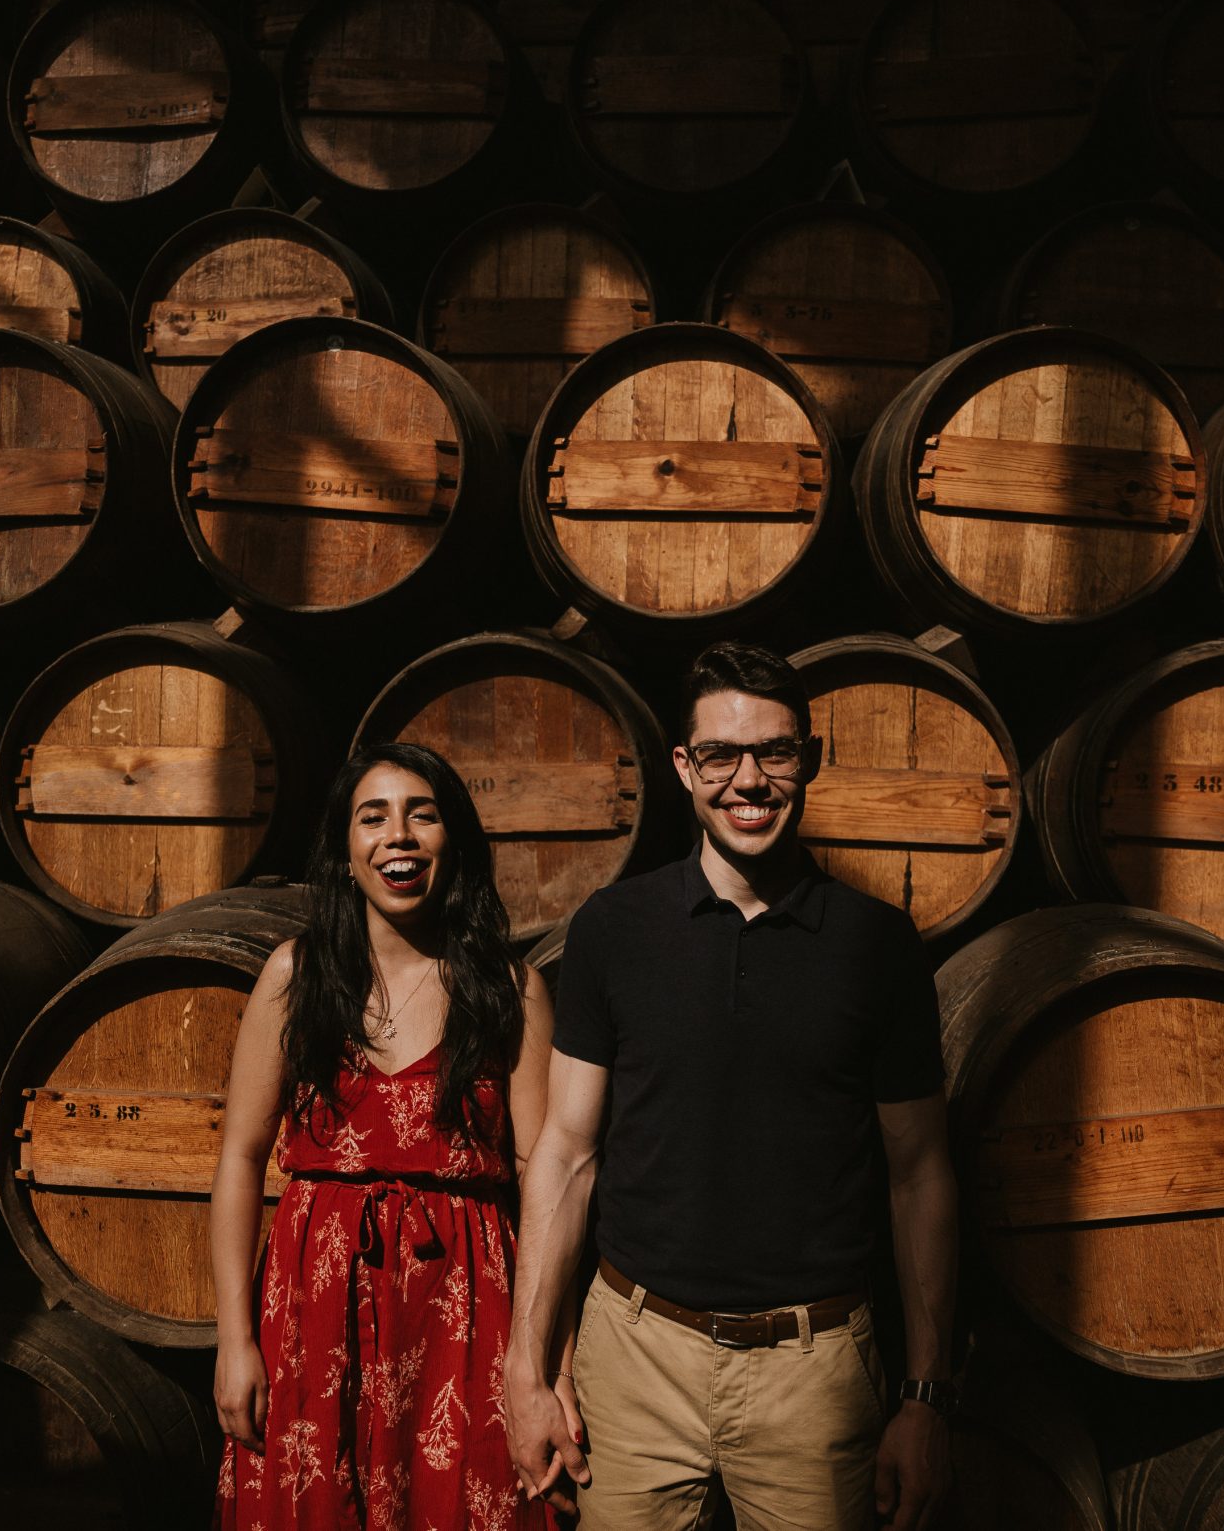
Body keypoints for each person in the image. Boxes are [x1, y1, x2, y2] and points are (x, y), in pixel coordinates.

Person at [503, 641, 960, 1531]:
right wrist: (527, 1368)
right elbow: (565, 1152)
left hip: (816, 1364)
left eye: (776, 752)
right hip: (634, 1352)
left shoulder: (877, 945)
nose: (748, 780)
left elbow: (920, 1173)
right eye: (721, 754)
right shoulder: (615, 928)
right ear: (684, 765)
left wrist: (926, 1396)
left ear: (810, 760)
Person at [211, 742, 559, 1530]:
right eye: (374, 818)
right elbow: (237, 1159)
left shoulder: (511, 989)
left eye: (421, 815)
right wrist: (235, 1341)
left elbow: (547, 1181)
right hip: (311, 1308)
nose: (398, 836)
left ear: (454, 843)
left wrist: (545, 1362)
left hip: (465, 1311)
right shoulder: (294, 975)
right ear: (344, 849)